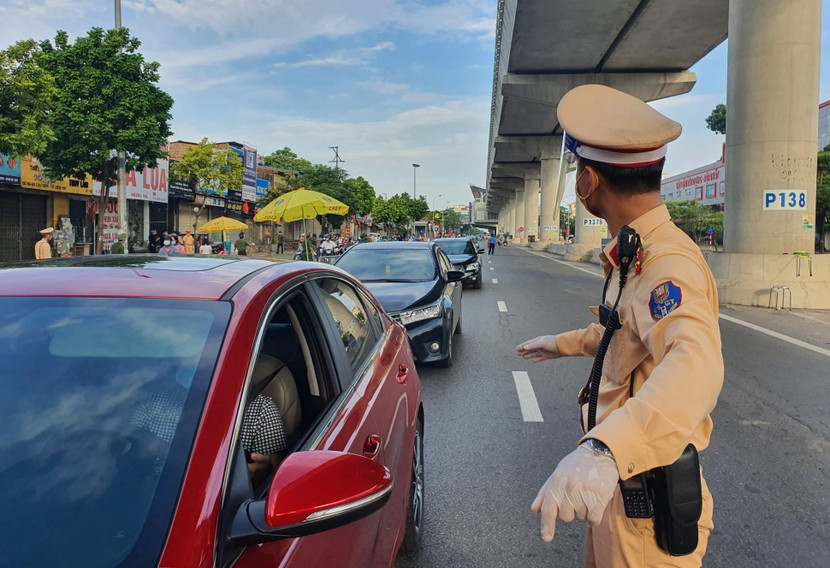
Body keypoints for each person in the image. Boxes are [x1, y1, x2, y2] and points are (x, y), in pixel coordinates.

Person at [516, 84, 723, 567]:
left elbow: (696, 363)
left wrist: (606, 449)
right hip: (618, 492)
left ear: (588, 183)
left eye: (575, 179)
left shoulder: (665, 263)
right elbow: (625, 334)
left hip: (645, 508)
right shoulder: (634, 248)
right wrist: (562, 344)